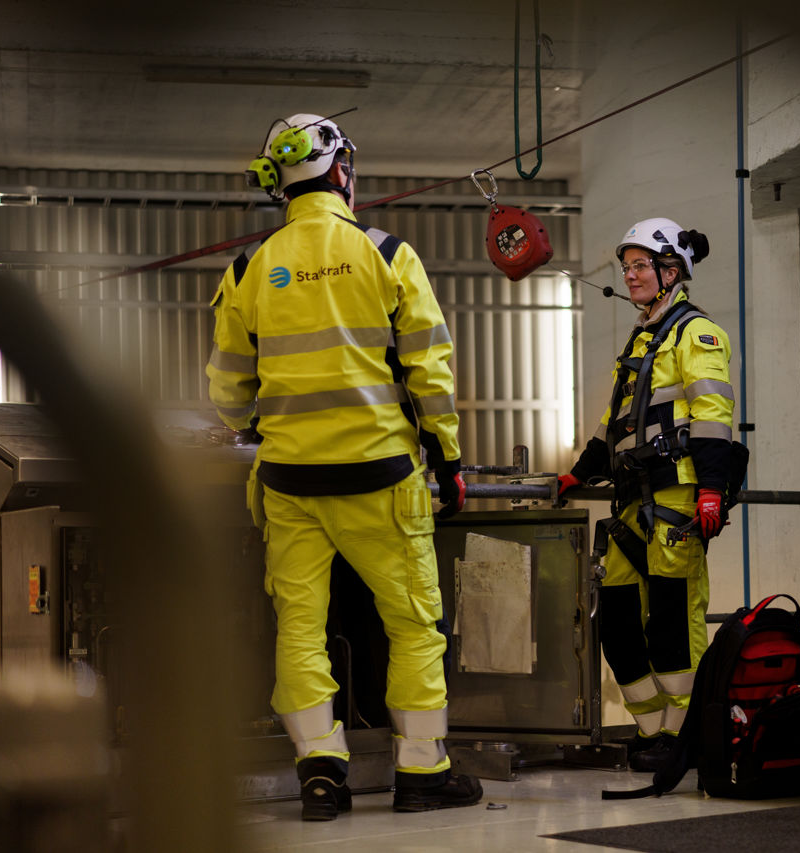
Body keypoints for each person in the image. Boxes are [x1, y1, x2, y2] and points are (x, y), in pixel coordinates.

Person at [206, 112, 482, 819]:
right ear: (340, 172)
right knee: (413, 624)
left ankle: (320, 773)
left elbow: (228, 393)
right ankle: (422, 772)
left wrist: (267, 425)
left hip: (290, 484)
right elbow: (430, 374)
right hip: (380, 478)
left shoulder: (247, 269)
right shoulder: (388, 254)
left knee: (300, 626)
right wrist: (447, 458)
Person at [557, 218, 747, 772]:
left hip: (677, 499)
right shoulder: (642, 339)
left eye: (641, 265)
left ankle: (683, 734)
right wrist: (578, 472)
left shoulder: (696, 333)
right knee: (615, 618)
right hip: (631, 502)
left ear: (671, 272)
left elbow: (713, 415)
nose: (630, 274)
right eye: (628, 266)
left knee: (671, 619)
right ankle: (652, 729)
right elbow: (612, 423)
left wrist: (712, 489)